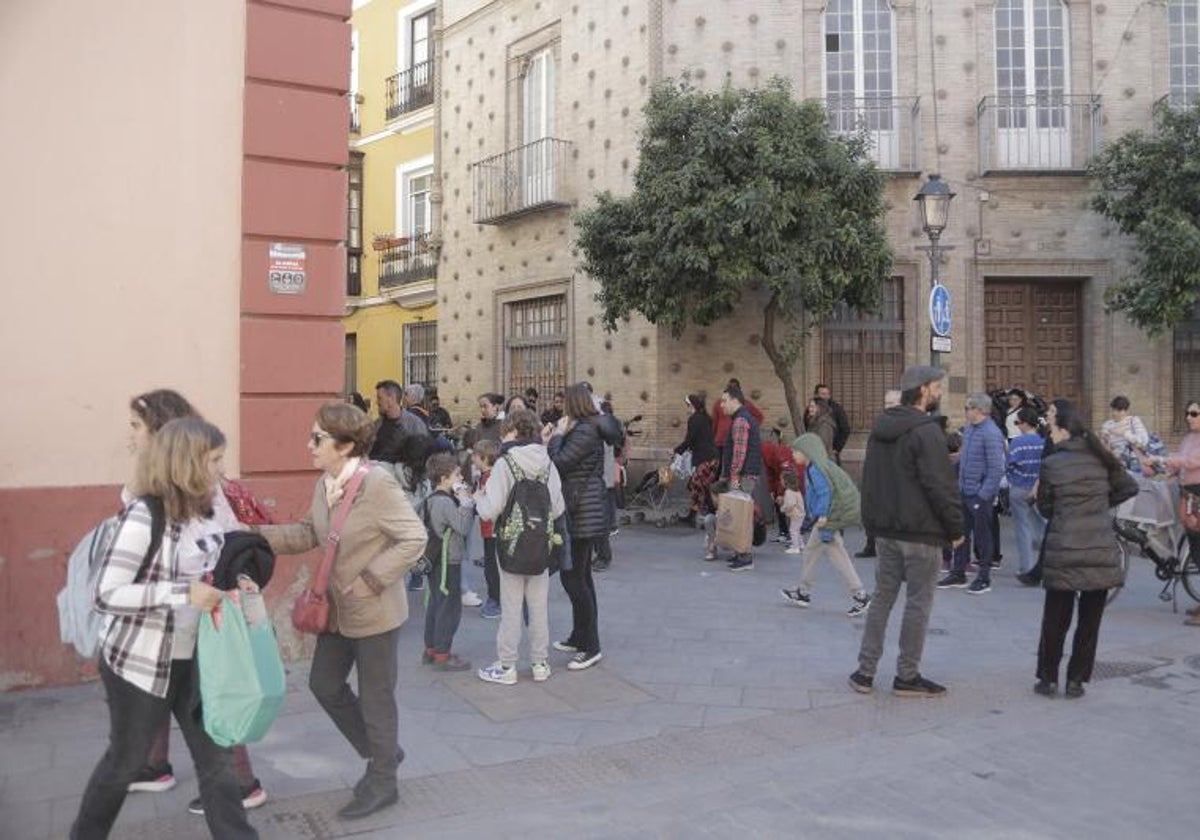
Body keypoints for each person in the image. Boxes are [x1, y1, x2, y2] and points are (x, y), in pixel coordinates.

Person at [71, 418, 259, 840]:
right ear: (187, 463)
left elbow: (209, 571)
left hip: (194, 658)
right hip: (138, 665)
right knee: (125, 762)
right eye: (214, 459)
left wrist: (231, 587)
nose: (220, 468)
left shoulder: (207, 510)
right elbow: (105, 594)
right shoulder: (144, 515)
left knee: (217, 759)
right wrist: (182, 593)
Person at [255, 403, 426, 820]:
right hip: (335, 611)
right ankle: (383, 752)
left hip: (374, 613)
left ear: (346, 445)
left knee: (376, 697)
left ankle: (383, 780)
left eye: (318, 439)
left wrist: (372, 579)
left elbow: (414, 537)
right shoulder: (325, 483)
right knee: (325, 684)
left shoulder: (378, 484)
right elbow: (310, 532)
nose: (309, 445)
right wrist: (255, 535)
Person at [121, 390, 266, 813]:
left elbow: (213, 543)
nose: (129, 436)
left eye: (136, 426)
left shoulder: (189, 486)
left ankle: (240, 784)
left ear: (160, 432)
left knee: (206, 700)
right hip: (177, 614)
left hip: (192, 616)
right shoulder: (160, 481)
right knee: (162, 690)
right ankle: (153, 765)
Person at [850, 365, 965, 697]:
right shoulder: (926, 432)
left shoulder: (881, 429)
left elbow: (869, 480)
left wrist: (872, 524)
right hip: (921, 534)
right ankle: (907, 675)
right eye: (937, 387)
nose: (940, 393)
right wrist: (955, 528)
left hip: (886, 532)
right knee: (918, 603)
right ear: (924, 389)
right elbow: (941, 486)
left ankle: (864, 672)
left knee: (882, 599)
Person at [1034, 403, 1138, 698]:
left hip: (1064, 549)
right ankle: (1076, 681)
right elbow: (1129, 487)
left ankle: (1048, 679)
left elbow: (1044, 506)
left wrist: (1069, 511)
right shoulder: (1102, 459)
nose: (1050, 432)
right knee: (1090, 622)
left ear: (1064, 430)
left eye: (1052, 427)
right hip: (1099, 549)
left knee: (1055, 619)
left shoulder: (1052, 464)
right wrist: (1099, 506)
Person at [474, 409, 566, 684]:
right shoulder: (548, 462)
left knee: (511, 606)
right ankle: (540, 663)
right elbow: (558, 507)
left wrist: (479, 497)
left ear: (512, 432)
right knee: (539, 606)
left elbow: (490, 510)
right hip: (541, 544)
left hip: (511, 544)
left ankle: (507, 666)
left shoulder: (506, 463)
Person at [544, 383, 608, 670]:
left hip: (583, 510)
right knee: (581, 576)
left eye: (565, 402)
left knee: (573, 578)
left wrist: (556, 436)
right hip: (582, 507)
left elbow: (559, 463)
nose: (561, 408)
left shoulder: (585, 430)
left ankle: (591, 646)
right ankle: (579, 636)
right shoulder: (586, 427)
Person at [780, 434, 871, 617]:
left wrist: (821, 515)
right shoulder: (816, 467)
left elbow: (825, 493)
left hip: (827, 519)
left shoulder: (815, 470)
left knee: (838, 556)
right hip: (828, 518)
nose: (793, 455)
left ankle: (860, 595)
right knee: (811, 552)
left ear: (807, 452)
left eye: (796, 451)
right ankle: (803, 592)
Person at [939, 392, 1006, 594]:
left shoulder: (991, 433)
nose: (965, 411)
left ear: (980, 410)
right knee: (960, 534)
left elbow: (996, 468)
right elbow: (965, 460)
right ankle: (958, 572)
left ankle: (984, 577)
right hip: (963, 492)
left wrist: (983, 495)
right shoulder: (969, 430)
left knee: (982, 536)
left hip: (979, 496)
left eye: (968, 407)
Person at [1142, 399, 1200, 626]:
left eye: (1194, 413)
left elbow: (1192, 461)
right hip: (1188, 497)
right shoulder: (1189, 438)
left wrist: (1163, 458)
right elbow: (1180, 464)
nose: (1189, 417)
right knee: (1195, 550)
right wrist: (1158, 468)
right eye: (1188, 413)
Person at [420, 453, 476, 671]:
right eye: (456, 474)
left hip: (435, 560)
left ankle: (431, 649)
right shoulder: (444, 502)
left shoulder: (430, 499)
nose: (460, 478)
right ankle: (443, 653)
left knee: (436, 603)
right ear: (443, 478)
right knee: (449, 608)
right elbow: (462, 527)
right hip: (447, 560)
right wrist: (466, 502)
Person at [714, 382, 764, 571]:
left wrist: (733, 475)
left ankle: (745, 556)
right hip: (745, 474)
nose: (721, 405)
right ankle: (740, 552)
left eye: (725, 401)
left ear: (735, 400)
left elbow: (739, 452)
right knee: (740, 513)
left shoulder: (741, 420)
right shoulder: (742, 418)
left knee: (741, 515)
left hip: (743, 476)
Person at [857, 389, 903, 559]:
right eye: (886, 403)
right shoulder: (880, 423)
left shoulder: (904, 426)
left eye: (893, 403)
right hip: (875, 474)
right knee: (871, 511)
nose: (888, 407)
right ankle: (871, 545)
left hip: (893, 478)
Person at [1007, 406, 1048, 585]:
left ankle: (1027, 567)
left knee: (1022, 529)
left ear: (1024, 423)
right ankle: (1048, 563)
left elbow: (1010, 465)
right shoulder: (1044, 441)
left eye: (1017, 423)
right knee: (1041, 523)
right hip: (1040, 488)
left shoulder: (1017, 443)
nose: (1017, 426)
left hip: (1020, 487)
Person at [675, 394, 720, 528]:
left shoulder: (694, 419)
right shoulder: (706, 418)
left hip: (704, 459)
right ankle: (700, 515)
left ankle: (709, 516)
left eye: (687, 405)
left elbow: (689, 440)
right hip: (713, 457)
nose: (687, 408)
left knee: (697, 486)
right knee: (703, 487)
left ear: (692, 406)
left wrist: (677, 451)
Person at [471, 439, 503, 618]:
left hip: (492, 529)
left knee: (492, 567)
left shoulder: (489, 478)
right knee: (493, 565)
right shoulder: (487, 476)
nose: (472, 459)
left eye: (475, 456)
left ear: (483, 458)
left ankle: (495, 600)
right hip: (490, 529)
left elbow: (490, 504)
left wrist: (475, 500)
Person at [369, 380, 427, 462]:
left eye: (379, 398)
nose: (377, 402)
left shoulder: (415, 425)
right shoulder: (377, 425)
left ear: (391, 398)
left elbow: (421, 455)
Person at [710, 377, 764, 460]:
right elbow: (714, 422)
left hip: (737, 440)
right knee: (719, 466)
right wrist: (712, 438)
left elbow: (759, 416)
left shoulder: (745, 404)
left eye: (734, 387)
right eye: (730, 387)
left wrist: (750, 429)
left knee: (736, 460)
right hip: (721, 440)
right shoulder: (719, 403)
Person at [1100, 395, 1150, 468]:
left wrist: (1124, 433)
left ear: (1126, 411)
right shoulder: (1107, 425)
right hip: (1116, 463)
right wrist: (1105, 443)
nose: (1115, 413)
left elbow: (1143, 441)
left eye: (1119, 411)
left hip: (1134, 463)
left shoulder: (1133, 421)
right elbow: (1104, 446)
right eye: (1113, 410)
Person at [814, 384, 852, 464]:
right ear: (816, 394)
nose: (826, 396)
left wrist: (836, 448)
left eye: (827, 394)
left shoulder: (836, 409)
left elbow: (845, 429)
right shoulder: (811, 408)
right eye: (823, 394)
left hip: (830, 451)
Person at [779, 471, 806, 555]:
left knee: (793, 530)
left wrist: (782, 508)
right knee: (797, 530)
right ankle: (801, 545)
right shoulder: (796, 491)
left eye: (782, 480)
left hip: (795, 515)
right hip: (800, 514)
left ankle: (795, 547)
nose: (781, 482)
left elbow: (790, 504)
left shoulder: (789, 492)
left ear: (786, 481)